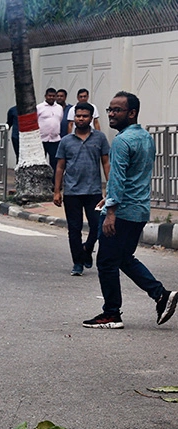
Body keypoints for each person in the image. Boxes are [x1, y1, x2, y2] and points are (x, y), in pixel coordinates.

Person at [82, 92, 177, 329]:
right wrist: (109, 198)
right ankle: (161, 295)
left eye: (117, 110)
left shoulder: (122, 141)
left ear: (132, 113)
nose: (111, 114)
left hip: (122, 212)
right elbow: (135, 175)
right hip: (139, 209)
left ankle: (111, 314)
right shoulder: (145, 137)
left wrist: (111, 210)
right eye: (110, 110)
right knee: (123, 258)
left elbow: (118, 176)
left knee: (106, 262)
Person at [53, 102, 109, 276]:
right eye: (78, 116)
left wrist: (111, 187)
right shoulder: (66, 141)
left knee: (97, 225)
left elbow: (106, 163)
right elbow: (60, 167)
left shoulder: (100, 138)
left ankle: (87, 249)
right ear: (74, 117)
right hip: (72, 192)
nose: (81, 119)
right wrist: (57, 191)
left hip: (94, 192)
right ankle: (77, 263)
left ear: (91, 118)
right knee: (74, 229)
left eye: (85, 116)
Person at [37, 88, 63, 170]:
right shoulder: (39, 107)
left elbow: (59, 120)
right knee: (40, 162)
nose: (51, 97)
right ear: (45, 96)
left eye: (53, 96)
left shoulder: (59, 108)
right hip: (41, 139)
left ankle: (54, 178)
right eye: (49, 96)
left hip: (55, 140)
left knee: (54, 162)